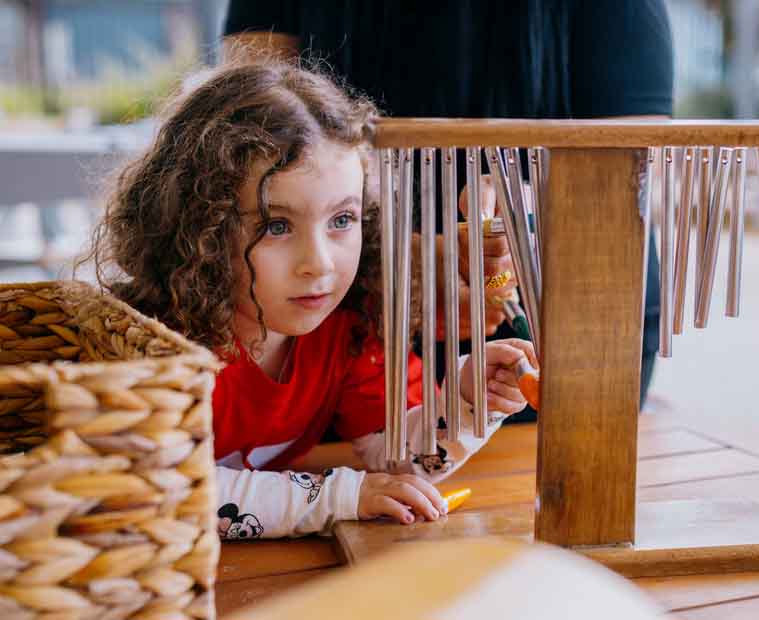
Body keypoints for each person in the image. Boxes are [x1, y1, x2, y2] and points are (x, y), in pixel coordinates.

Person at [85, 62, 537, 538]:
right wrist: (339, 497)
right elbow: (168, 488)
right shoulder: (157, 345)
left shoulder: (352, 325)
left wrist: (467, 400)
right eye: (276, 226)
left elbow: (401, 465)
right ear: (201, 230)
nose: (318, 263)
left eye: (342, 220)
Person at [222, 0, 672, 410]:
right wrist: (396, 265)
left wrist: (529, 221)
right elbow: (248, 154)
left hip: (567, 327)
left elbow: (622, 186)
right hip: (342, 325)